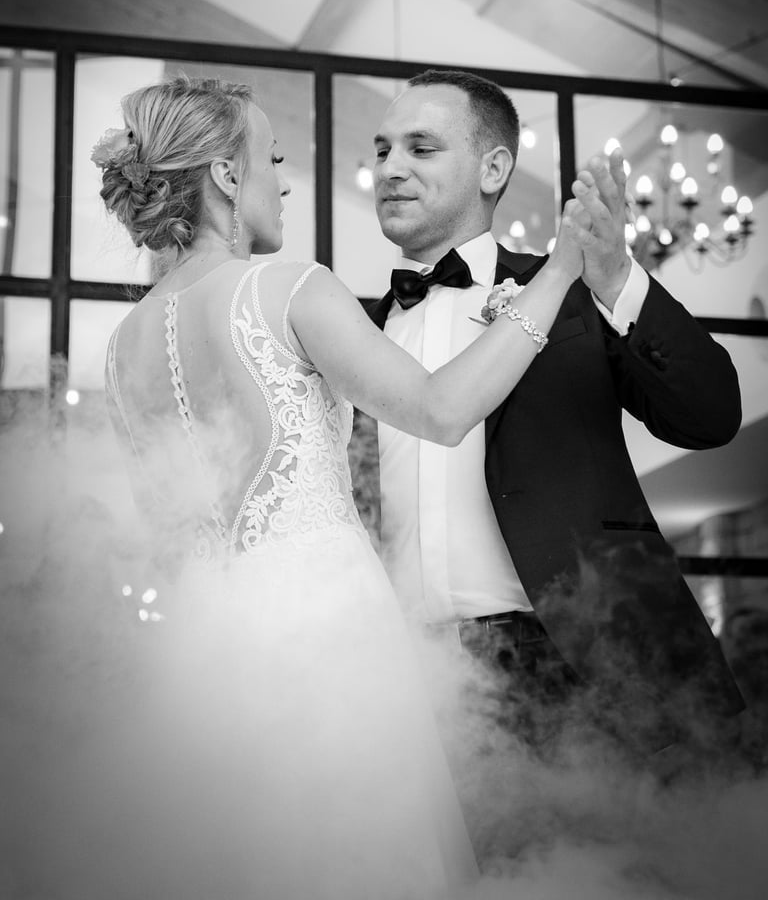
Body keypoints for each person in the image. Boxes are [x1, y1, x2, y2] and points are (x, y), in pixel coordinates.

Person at [80, 75, 591, 900]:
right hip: (327, 630)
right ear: (225, 175)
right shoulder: (285, 289)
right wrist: (560, 271)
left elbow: (163, 535)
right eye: (273, 157)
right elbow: (440, 409)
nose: (283, 181)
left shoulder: (120, 349)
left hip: (202, 655)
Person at [368, 67, 745, 762]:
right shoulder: (354, 330)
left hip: (577, 661)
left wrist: (616, 278)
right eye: (383, 149)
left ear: (493, 168)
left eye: (421, 148)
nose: (390, 168)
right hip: (406, 684)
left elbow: (711, 415)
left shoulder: (568, 291)